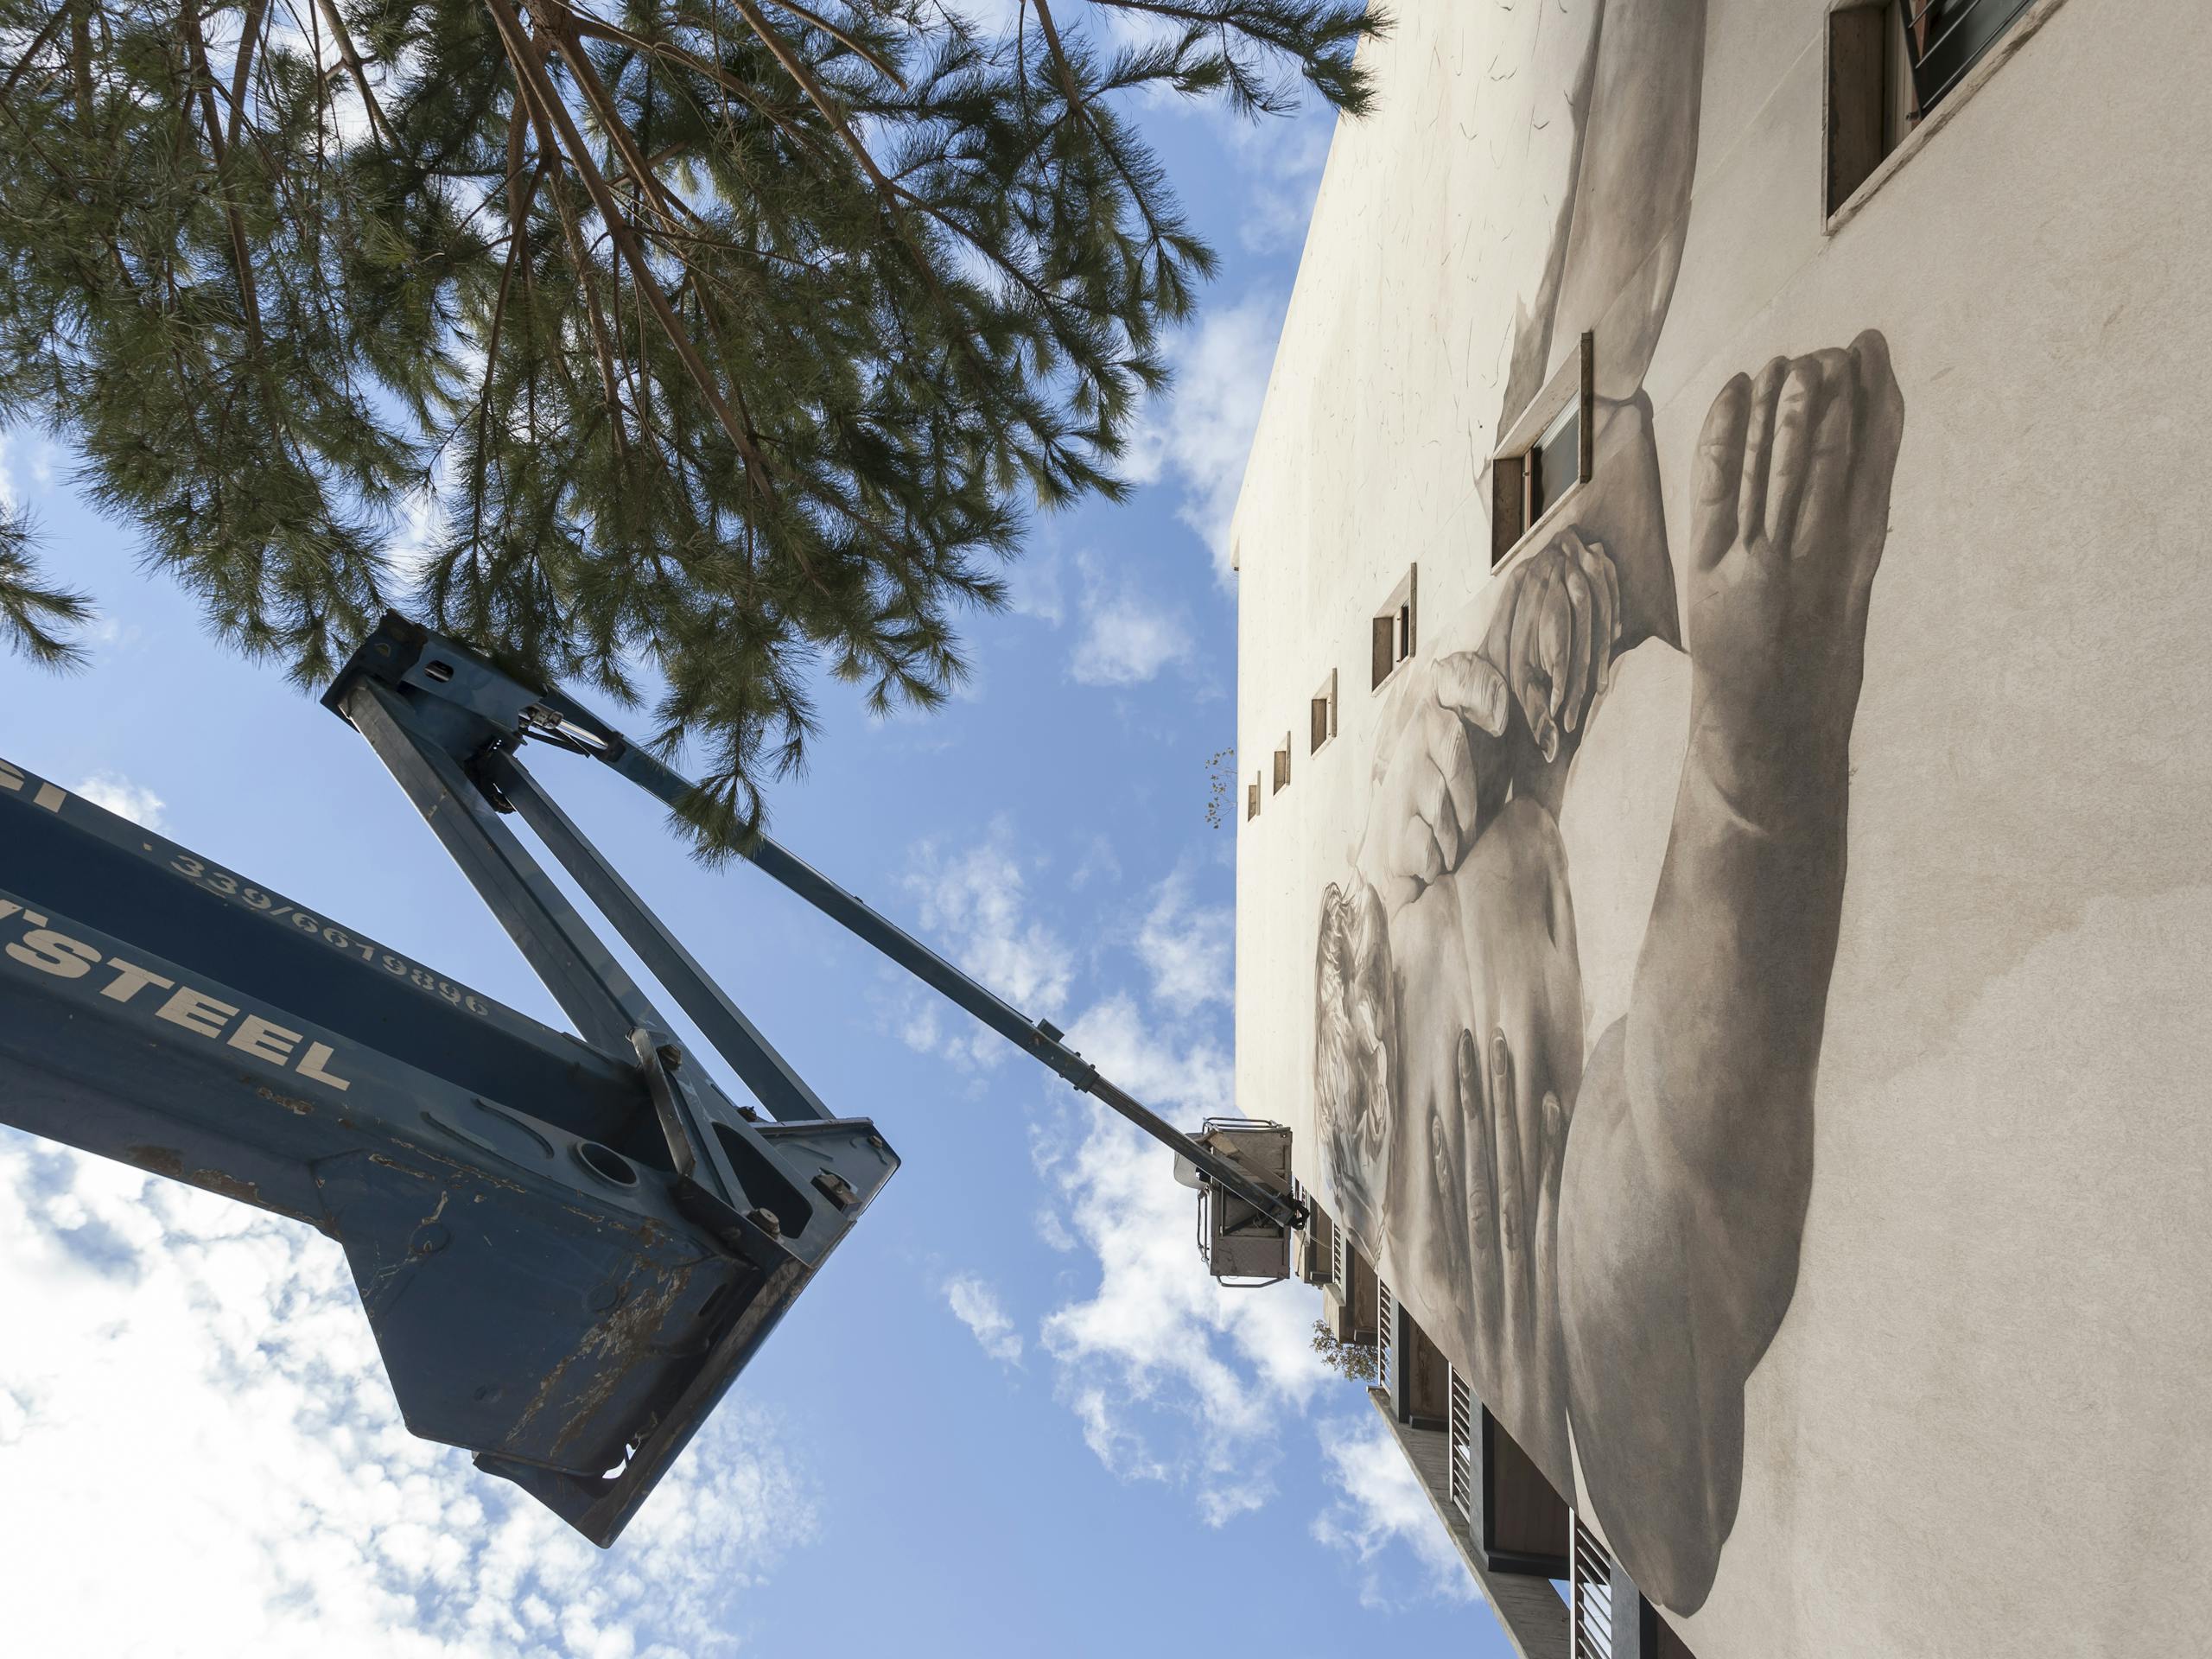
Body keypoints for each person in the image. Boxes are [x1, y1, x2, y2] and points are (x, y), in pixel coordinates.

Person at [1313, 335, 1906, 1612]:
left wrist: (1405, 803)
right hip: (1568, 1390)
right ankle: (1760, 768)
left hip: (1559, 1340)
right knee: (1626, 1245)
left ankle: (1758, 767)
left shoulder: (1459, 838)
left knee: (1627, 1228)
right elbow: (1661, 1539)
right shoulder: (1446, 899)